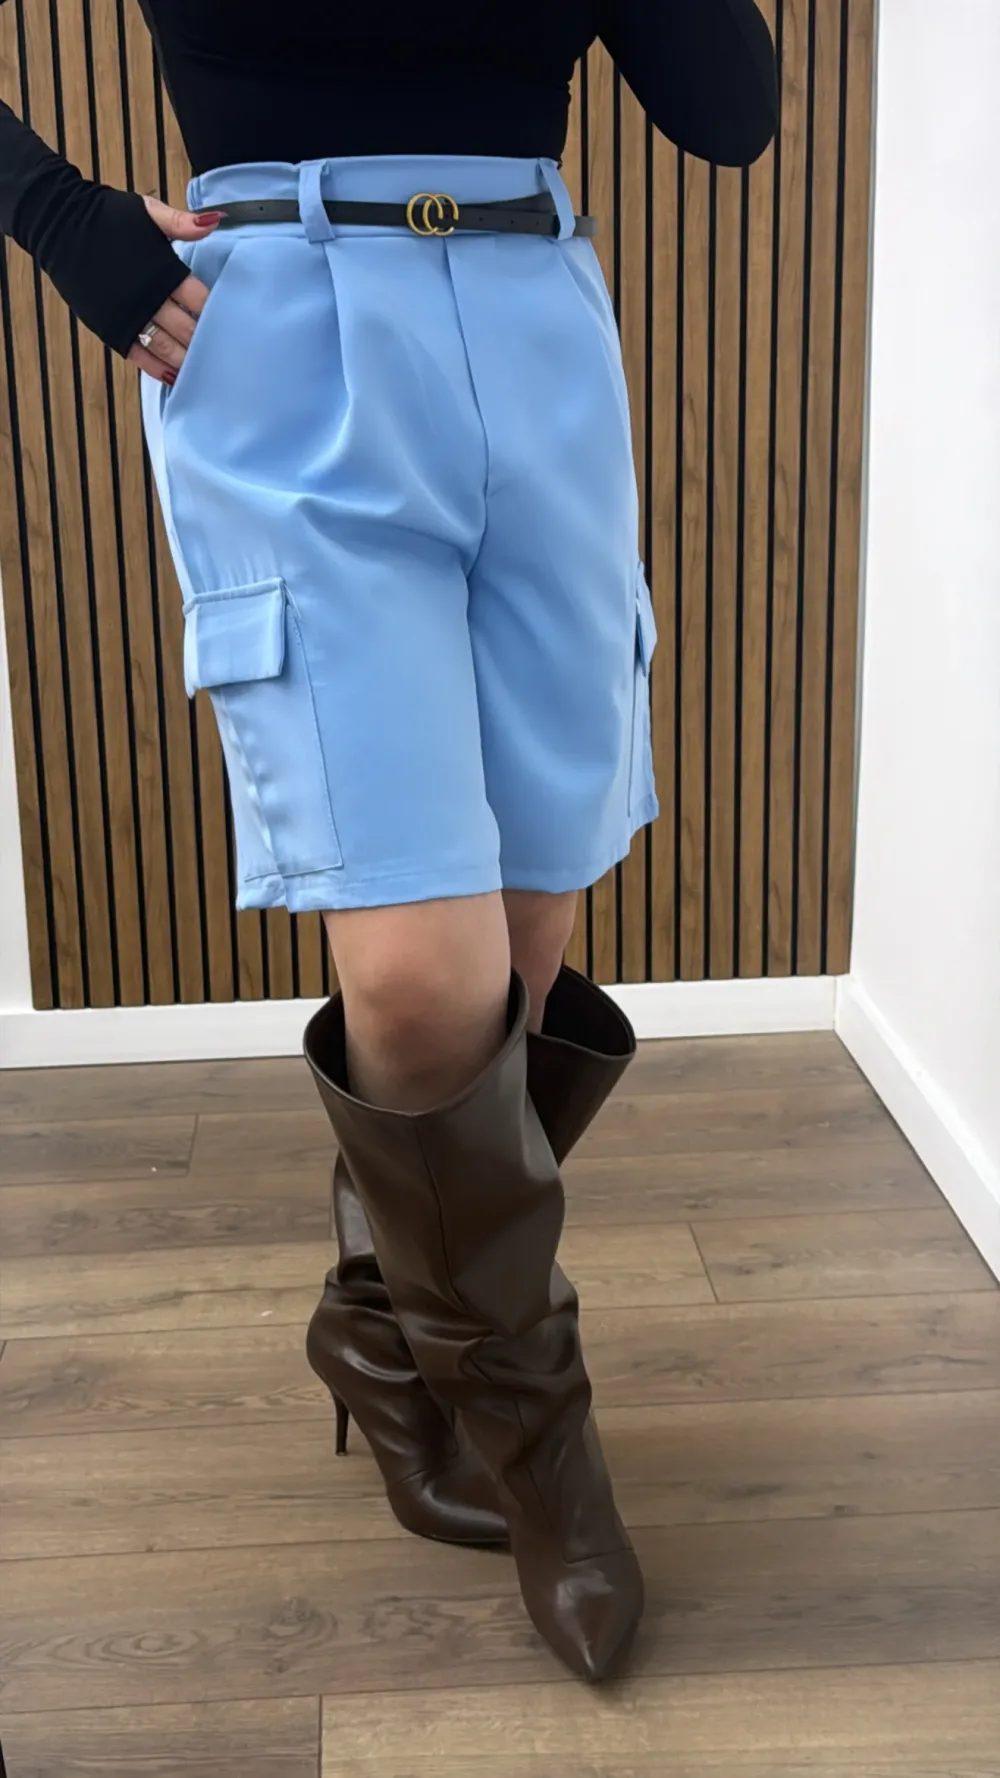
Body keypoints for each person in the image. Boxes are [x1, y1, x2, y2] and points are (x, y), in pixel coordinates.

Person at [0, 1, 777, 1681]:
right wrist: (54, 211)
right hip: (278, 326)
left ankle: (378, 1324)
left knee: (522, 965)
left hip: (537, 315)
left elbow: (729, 108)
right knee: (427, 985)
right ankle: (546, 1450)